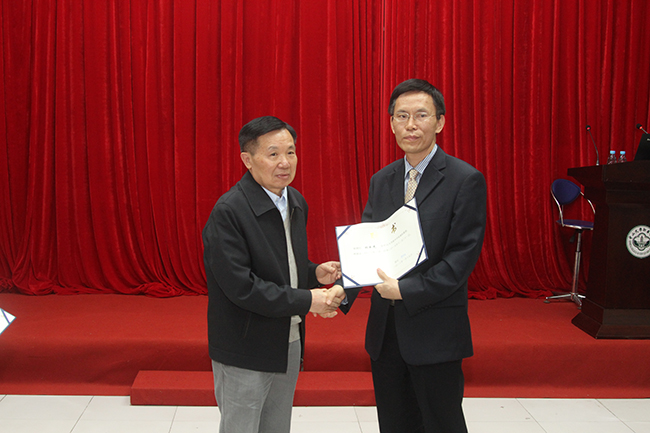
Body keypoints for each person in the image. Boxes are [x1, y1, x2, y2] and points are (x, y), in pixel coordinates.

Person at [337, 79, 487, 432]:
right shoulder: (382, 180)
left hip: (435, 331)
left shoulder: (465, 179)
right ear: (391, 123)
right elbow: (369, 245)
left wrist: (406, 290)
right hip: (386, 332)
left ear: (440, 122)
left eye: (421, 115)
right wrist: (341, 290)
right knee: (394, 423)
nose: (411, 125)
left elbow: (461, 259)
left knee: (441, 423)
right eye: (401, 116)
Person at [202, 115, 342, 433]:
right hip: (245, 344)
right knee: (242, 427)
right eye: (273, 153)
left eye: (290, 152)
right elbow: (243, 287)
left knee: (277, 426)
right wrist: (308, 300)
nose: (285, 162)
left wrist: (314, 273)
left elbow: (281, 266)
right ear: (247, 160)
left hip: (287, 338)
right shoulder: (229, 212)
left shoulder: (295, 201)